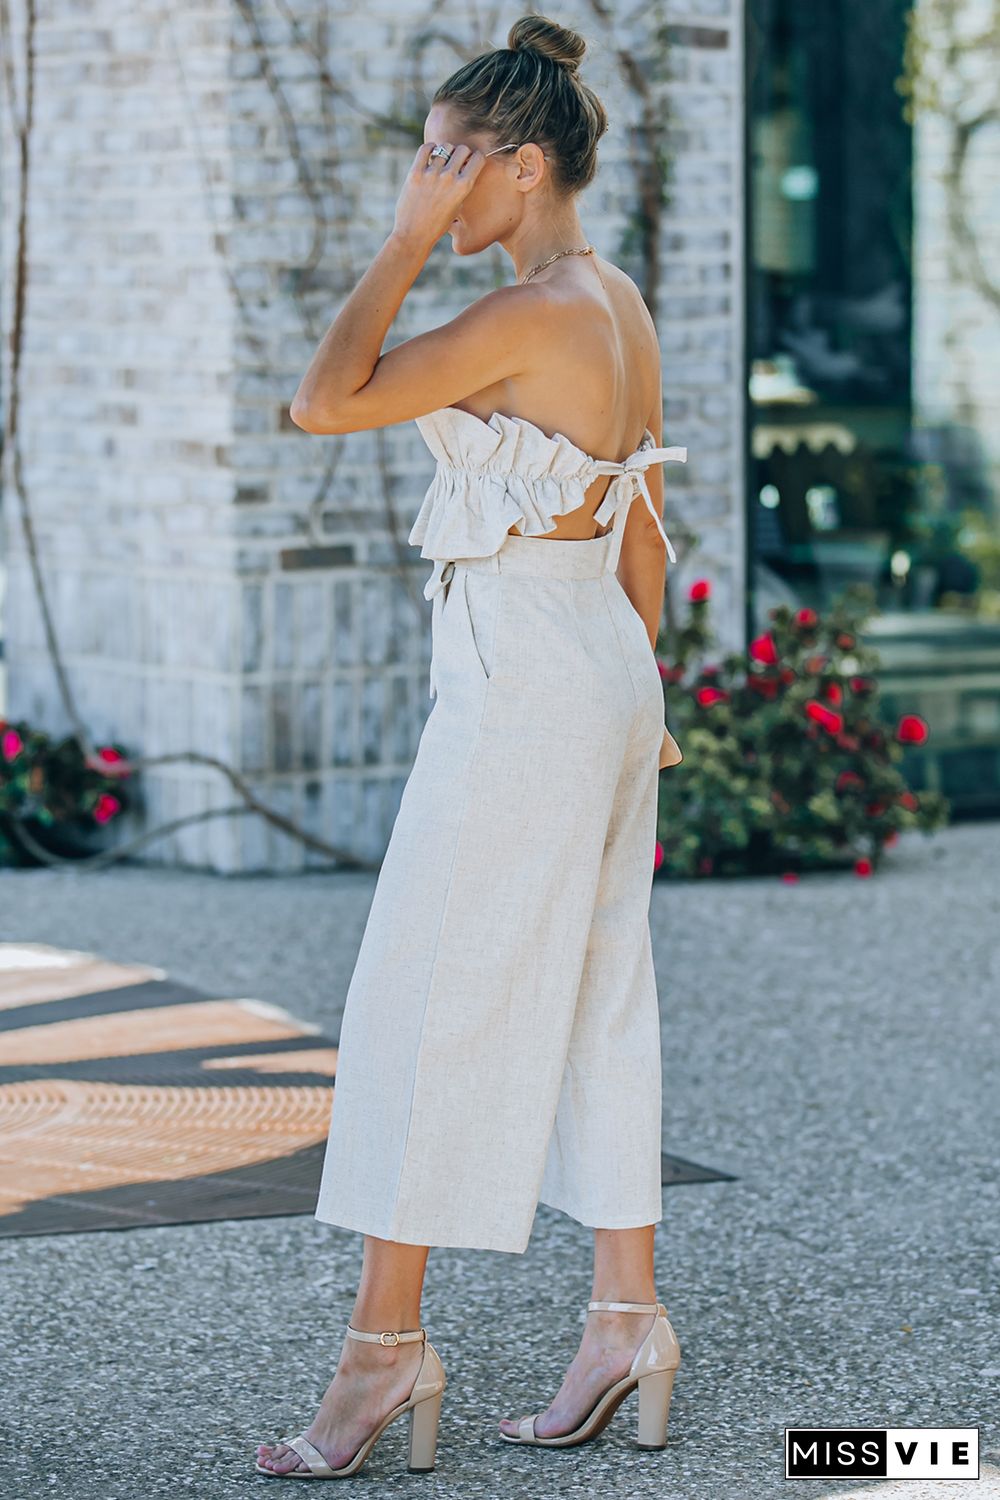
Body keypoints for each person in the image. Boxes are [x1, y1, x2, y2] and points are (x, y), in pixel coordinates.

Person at [255, 12, 685, 1480]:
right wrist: (644, 711)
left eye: (447, 160)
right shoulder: (609, 298)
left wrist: (401, 238)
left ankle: (384, 1354)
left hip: (527, 681)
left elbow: (322, 399)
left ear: (517, 165)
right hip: (597, 667)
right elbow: (644, 533)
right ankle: (626, 1321)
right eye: (421, 160)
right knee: (595, 991)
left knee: (423, 1002)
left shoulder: (527, 316)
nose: (427, 179)